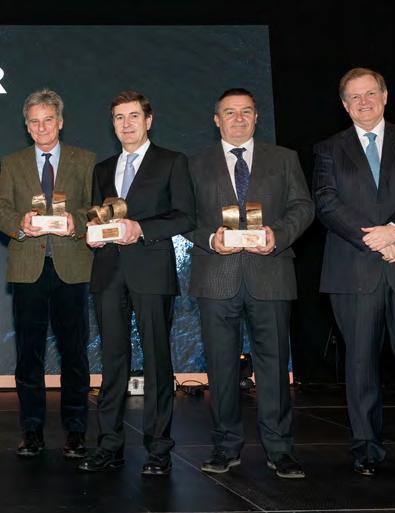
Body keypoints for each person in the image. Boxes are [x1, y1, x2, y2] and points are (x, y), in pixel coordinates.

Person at [313, 67, 395, 481]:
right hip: (353, 269)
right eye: (354, 97)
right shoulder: (328, 148)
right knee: (359, 365)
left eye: (370, 93)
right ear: (344, 105)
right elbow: (326, 202)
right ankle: (366, 450)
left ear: (385, 96)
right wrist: (373, 239)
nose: (364, 102)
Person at [187, 88, 314, 479]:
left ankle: (280, 449)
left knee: (274, 366)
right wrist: (211, 238)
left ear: (257, 117)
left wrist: (279, 235)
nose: (238, 118)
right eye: (229, 112)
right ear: (216, 120)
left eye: (245, 112)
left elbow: (304, 206)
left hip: (270, 273)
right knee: (221, 368)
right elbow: (185, 216)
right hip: (216, 276)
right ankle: (226, 447)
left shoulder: (284, 158)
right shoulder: (194, 163)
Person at [79, 90, 195, 476]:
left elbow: (185, 216)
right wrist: (94, 233)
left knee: (157, 360)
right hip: (108, 273)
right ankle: (109, 445)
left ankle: (158, 449)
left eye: (133, 116)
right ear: (112, 124)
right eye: (118, 117)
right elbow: (98, 218)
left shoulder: (172, 161)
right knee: (112, 362)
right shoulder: (102, 169)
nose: (126, 124)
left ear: (149, 120)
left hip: (152, 271)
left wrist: (140, 228)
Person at [0, 89, 95, 458]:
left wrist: (77, 221)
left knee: (75, 354)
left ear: (61, 122)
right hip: (28, 269)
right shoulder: (11, 164)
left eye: (48, 120)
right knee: (29, 354)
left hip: (72, 267)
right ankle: (32, 430)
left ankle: (76, 431)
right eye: (34, 121)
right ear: (27, 126)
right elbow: (1, 208)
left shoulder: (85, 161)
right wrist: (19, 223)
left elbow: (97, 208)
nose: (42, 127)